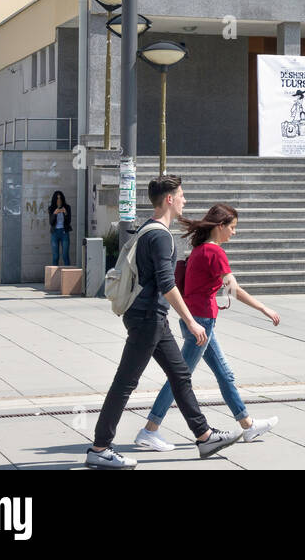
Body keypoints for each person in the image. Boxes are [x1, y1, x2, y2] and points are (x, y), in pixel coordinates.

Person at [86, 175, 244, 469]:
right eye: (181, 195)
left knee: (180, 375)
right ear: (169, 199)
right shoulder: (160, 236)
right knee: (125, 383)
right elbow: (167, 284)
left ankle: (204, 436)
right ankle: (100, 448)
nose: (185, 200)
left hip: (152, 318)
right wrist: (191, 322)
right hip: (148, 318)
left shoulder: (148, 230)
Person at [136, 203, 279, 451]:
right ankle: (149, 429)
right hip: (200, 324)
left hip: (197, 321)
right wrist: (264, 308)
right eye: (232, 228)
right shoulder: (214, 252)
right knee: (179, 379)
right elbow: (234, 290)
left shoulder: (199, 249)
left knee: (224, 375)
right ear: (220, 226)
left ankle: (247, 425)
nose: (234, 233)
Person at [47, 191, 73, 267]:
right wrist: (55, 213)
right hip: (54, 233)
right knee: (55, 256)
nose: (59, 200)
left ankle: (68, 276)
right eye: (57, 198)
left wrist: (65, 213)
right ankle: (54, 277)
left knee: (65, 256)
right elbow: (51, 223)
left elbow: (68, 221)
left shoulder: (67, 207)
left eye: (60, 198)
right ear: (55, 199)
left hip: (64, 233)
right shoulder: (51, 208)